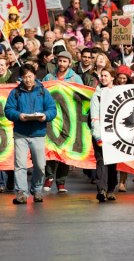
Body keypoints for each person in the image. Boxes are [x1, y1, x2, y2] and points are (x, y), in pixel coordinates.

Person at [4, 63, 57, 205]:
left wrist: (45, 116)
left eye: (30, 76)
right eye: (25, 77)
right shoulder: (15, 92)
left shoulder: (43, 91)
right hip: (21, 133)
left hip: (38, 133)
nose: (27, 79)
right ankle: (21, 191)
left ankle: (36, 189)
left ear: (34, 76)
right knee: (20, 165)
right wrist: (18, 115)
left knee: (40, 165)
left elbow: (52, 109)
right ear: (21, 78)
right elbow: (8, 110)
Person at [41, 51, 83, 193]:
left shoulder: (76, 78)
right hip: (52, 118)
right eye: (60, 61)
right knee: (50, 147)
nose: (62, 63)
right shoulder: (49, 77)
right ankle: (49, 177)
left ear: (70, 63)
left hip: (68, 119)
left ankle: (61, 182)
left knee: (65, 149)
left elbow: (81, 96)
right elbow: (41, 92)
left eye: (65, 61)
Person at [90, 68, 120, 202]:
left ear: (112, 77)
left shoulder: (119, 93)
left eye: (106, 75)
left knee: (112, 162)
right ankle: (101, 190)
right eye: (101, 76)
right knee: (101, 161)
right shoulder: (96, 96)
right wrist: (97, 136)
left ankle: (111, 190)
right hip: (101, 134)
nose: (103, 78)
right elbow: (94, 117)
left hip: (115, 135)